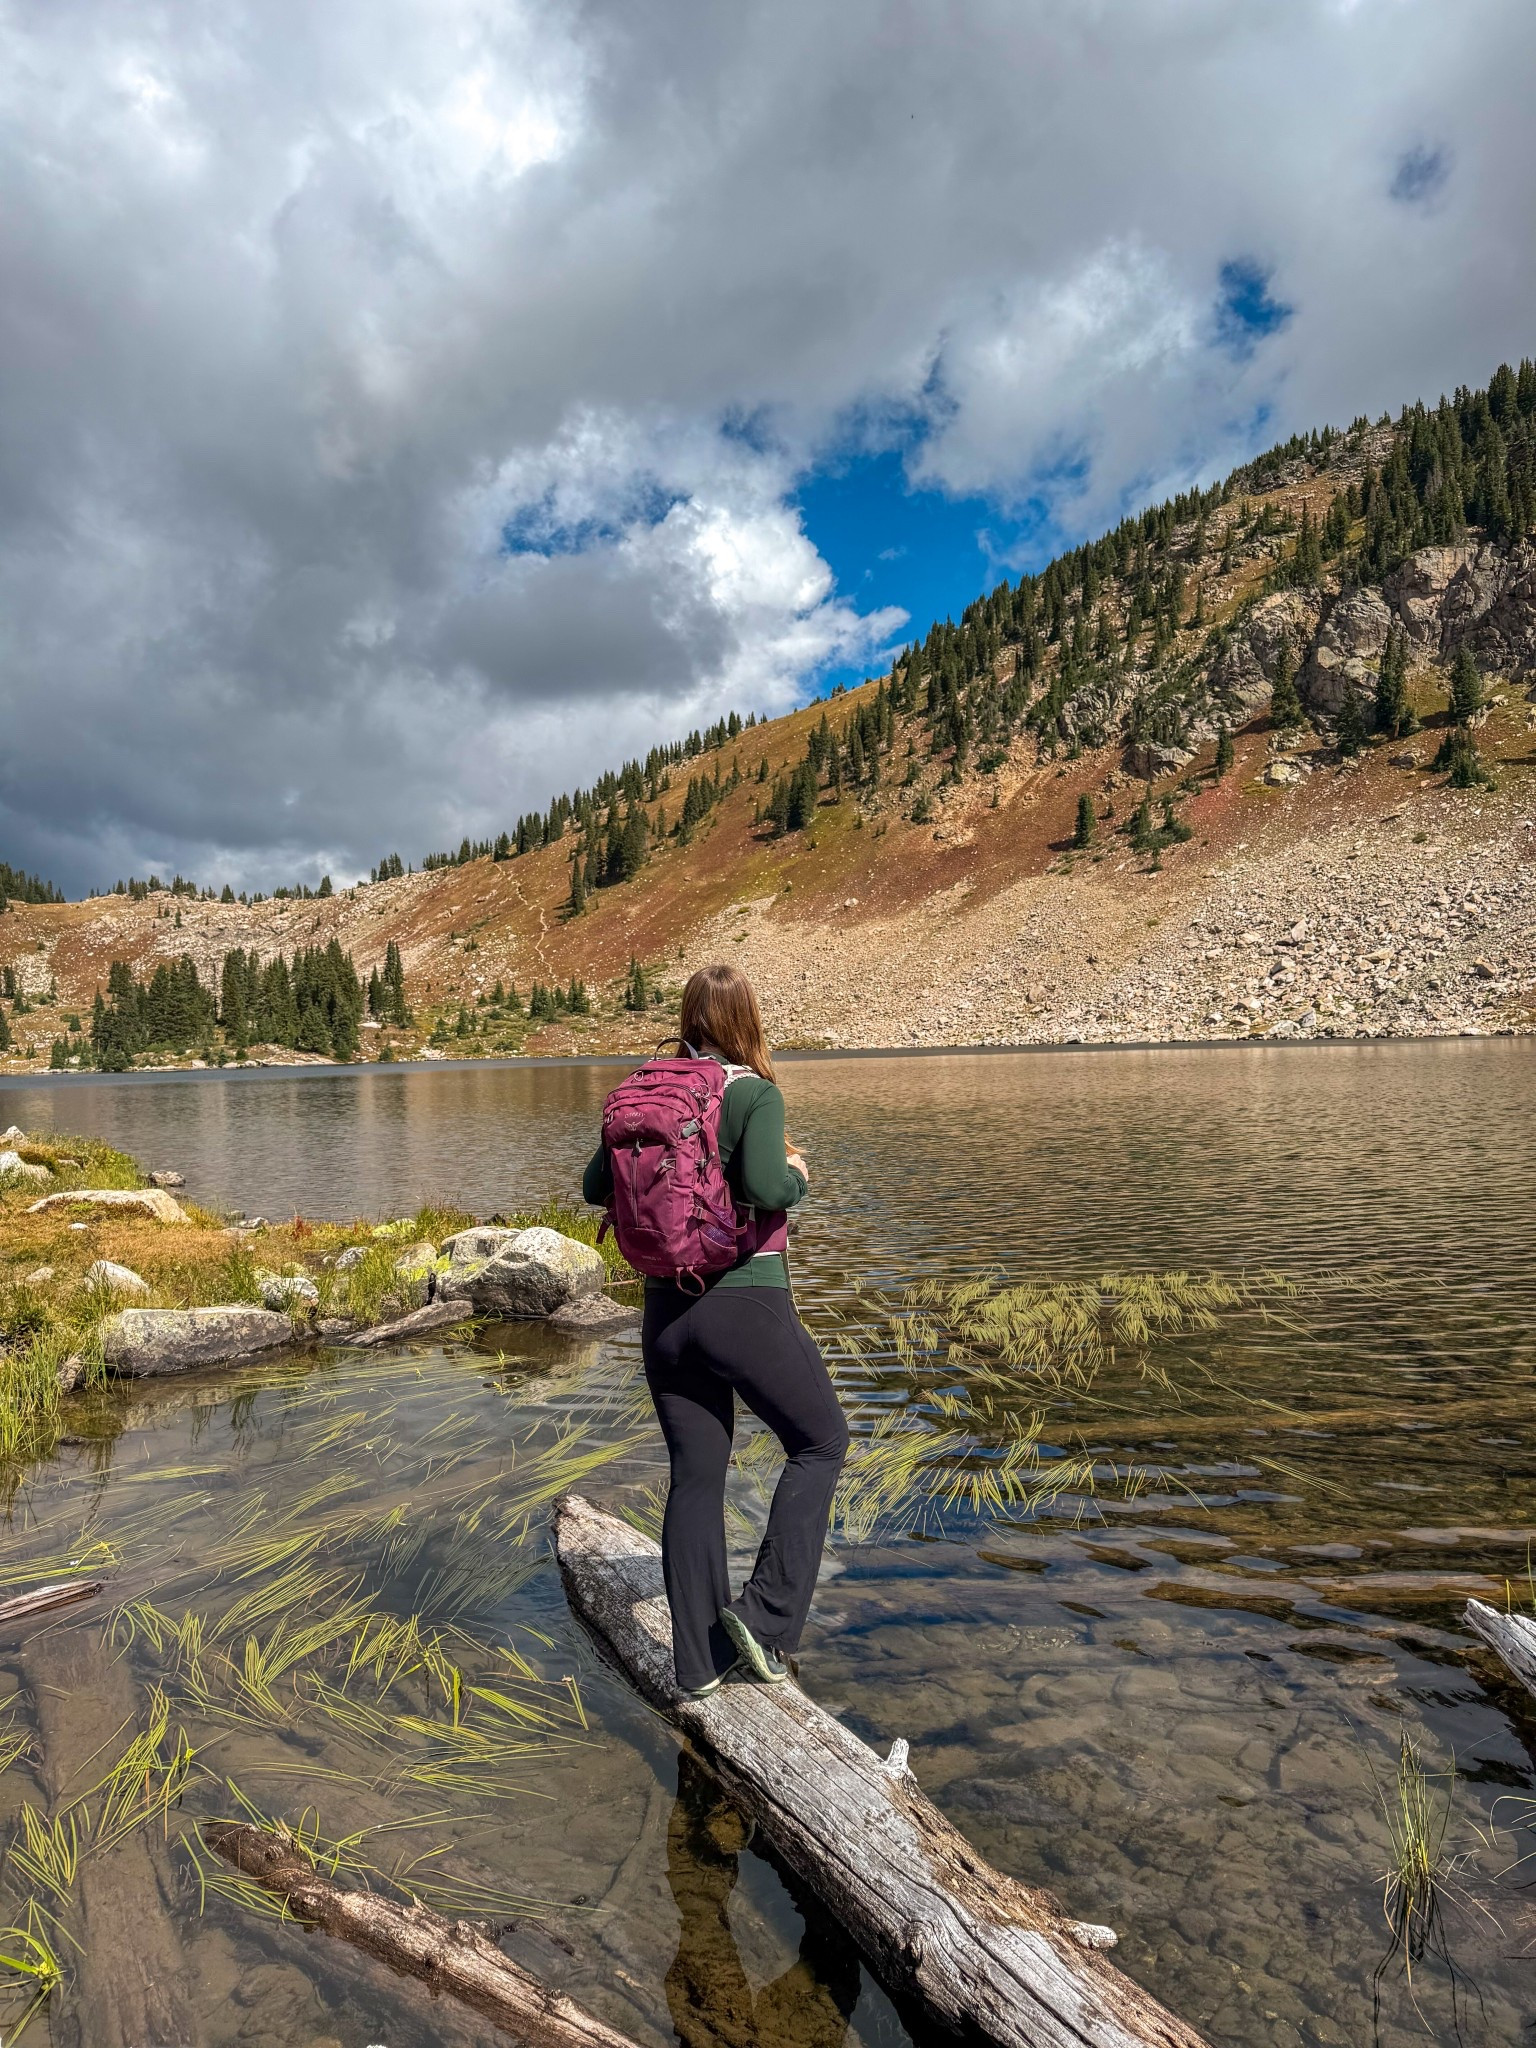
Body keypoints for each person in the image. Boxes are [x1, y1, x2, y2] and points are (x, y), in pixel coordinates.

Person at [583, 962, 849, 1698]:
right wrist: (797, 1173)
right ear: (746, 1021)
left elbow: (591, 1188)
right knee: (821, 1443)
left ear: (689, 1016)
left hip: (665, 1315)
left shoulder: (645, 1092)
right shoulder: (755, 1093)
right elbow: (767, 1188)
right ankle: (762, 1624)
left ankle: (698, 1666)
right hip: (744, 1304)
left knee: (696, 1474)